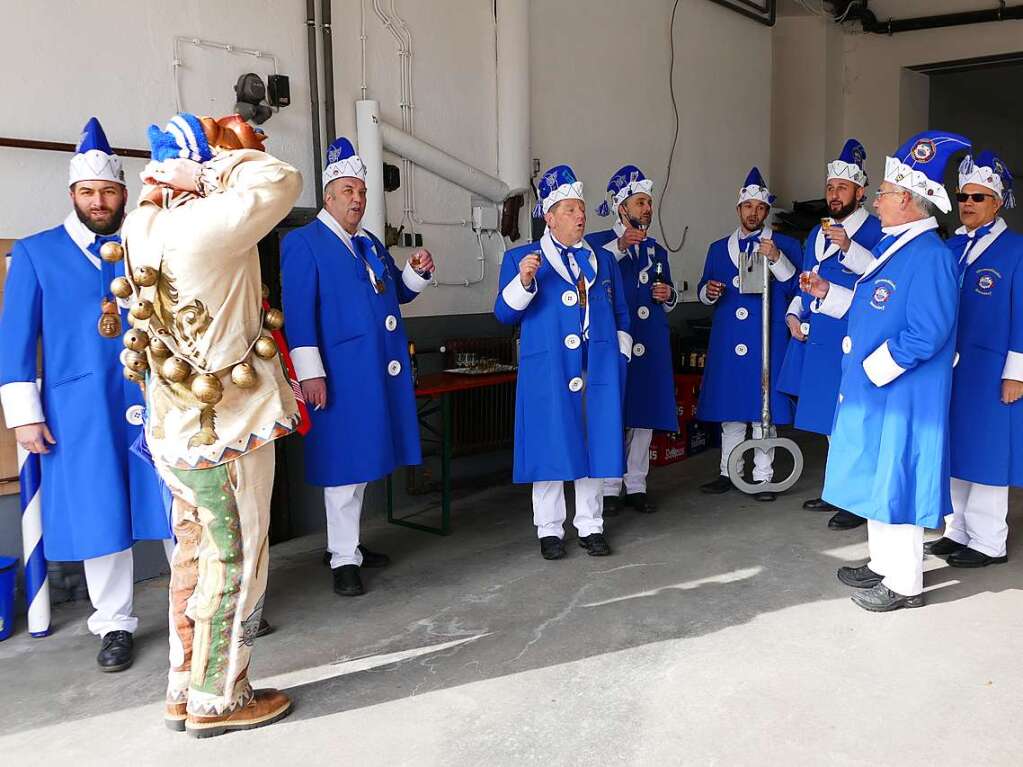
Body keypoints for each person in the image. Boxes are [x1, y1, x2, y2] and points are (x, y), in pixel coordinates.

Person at [121, 112, 301, 734]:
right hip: (228, 430)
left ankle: (183, 684)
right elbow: (283, 178)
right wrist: (212, 168)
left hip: (173, 432)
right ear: (194, 168)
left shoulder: (141, 224)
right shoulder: (210, 224)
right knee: (239, 561)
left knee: (192, 556)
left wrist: (168, 181)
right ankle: (220, 697)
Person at [0, 117, 170, 673]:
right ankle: (115, 624)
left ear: (124, 193)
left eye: (109, 191)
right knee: (102, 515)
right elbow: (17, 340)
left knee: (175, 504)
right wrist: (24, 417)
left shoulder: (147, 243)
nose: (99, 201)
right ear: (73, 194)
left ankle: (198, 604)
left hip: (159, 395)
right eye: (88, 192)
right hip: (80, 408)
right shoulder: (36, 252)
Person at [805, 130, 971, 611]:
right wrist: (826, 296)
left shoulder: (931, 255)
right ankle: (882, 564)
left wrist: (876, 368)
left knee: (897, 479)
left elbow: (929, 331)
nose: (876, 200)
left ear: (910, 202)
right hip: (884, 390)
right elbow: (869, 304)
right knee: (879, 476)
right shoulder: (898, 246)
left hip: (902, 393)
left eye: (884, 193)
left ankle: (905, 584)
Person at [281, 136, 434, 597]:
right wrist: (310, 372)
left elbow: (396, 295)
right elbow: (298, 312)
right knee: (344, 467)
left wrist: (416, 273)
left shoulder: (366, 242)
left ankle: (351, 545)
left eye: (362, 192)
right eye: (348, 190)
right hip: (339, 374)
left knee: (364, 461)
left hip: (374, 371)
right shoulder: (303, 242)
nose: (357, 199)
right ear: (328, 196)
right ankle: (343, 558)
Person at [495, 165, 631, 559]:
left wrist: (619, 355)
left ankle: (591, 525)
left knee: (593, 444)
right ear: (550, 217)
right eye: (570, 210)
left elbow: (620, 312)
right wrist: (522, 282)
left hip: (597, 368)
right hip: (549, 370)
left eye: (582, 209)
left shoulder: (602, 260)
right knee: (551, 445)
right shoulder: (522, 257)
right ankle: (549, 530)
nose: (580, 216)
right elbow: (504, 315)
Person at [777, 139, 882, 530]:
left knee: (853, 418)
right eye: (830, 187)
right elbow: (806, 280)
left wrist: (851, 248)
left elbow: (879, 286)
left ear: (860, 192)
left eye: (842, 188)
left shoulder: (876, 230)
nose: (834, 194)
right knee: (828, 418)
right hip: (818, 333)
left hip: (853, 334)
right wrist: (793, 313)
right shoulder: (817, 234)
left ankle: (858, 498)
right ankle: (837, 489)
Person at [925, 150, 1023, 567]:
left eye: (977, 197)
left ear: (997, 203)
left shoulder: (1016, 250)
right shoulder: (948, 248)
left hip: (991, 369)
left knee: (986, 451)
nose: (966, 203)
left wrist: (1017, 372)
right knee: (957, 449)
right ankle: (958, 529)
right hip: (950, 370)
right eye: (962, 196)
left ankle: (988, 541)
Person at [696, 168, 801, 502]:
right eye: (747, 207)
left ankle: (763, 476)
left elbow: (795, 286)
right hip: (729, 338)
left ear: (767, 211)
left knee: (763, 409)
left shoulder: (784, 244)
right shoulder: (717, 248)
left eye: (759, 208)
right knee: (731, 410)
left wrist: (776, 258)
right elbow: (703, 288)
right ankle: (730, 471)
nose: (753, 213)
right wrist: (708, 292)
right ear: (738, 209)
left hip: (765, 337)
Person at [586, 165, 678, 514]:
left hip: (651, 341)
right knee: (614, 413)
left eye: (649, 203)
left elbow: (667, 301)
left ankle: (637, 484)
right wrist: (622, 246)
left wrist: (667, 293)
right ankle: (609, 487)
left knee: (644, 417)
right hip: (615, 343)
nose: (647, 209)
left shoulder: (657, 251)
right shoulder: (597, 245)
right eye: (640, 202)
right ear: (622, 207)